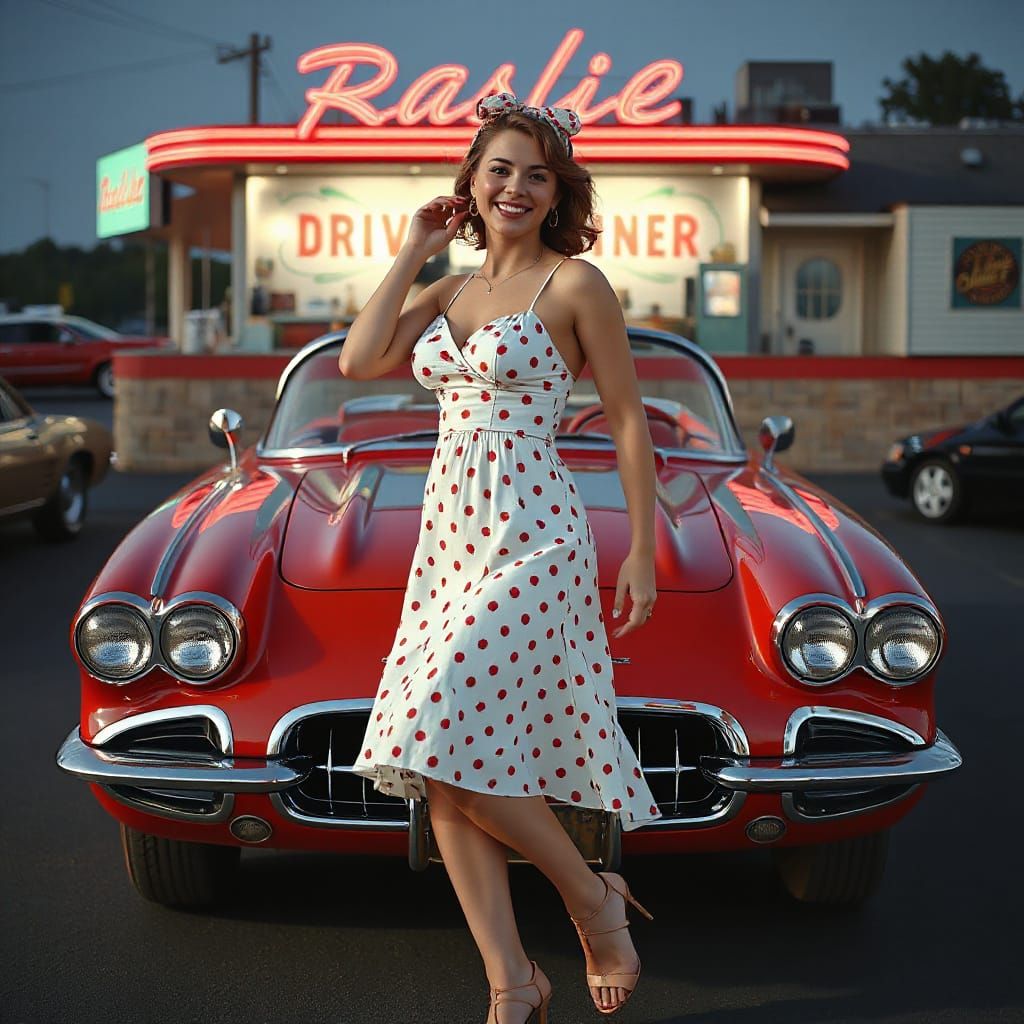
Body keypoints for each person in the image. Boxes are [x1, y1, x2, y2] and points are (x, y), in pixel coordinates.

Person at [340, 92, 661, 1023]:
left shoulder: (575, 284)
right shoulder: (448, 290)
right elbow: (360, 361)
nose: (517, 186)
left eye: (535, 172)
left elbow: (630, 417)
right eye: (499, 170)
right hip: (450, 539)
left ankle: (594, 902)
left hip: (538, 531)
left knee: (438, 720)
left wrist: (639, 546)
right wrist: (412, 250)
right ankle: (511, 979)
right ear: (470, 187)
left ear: (557, 188)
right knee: (441, 765)